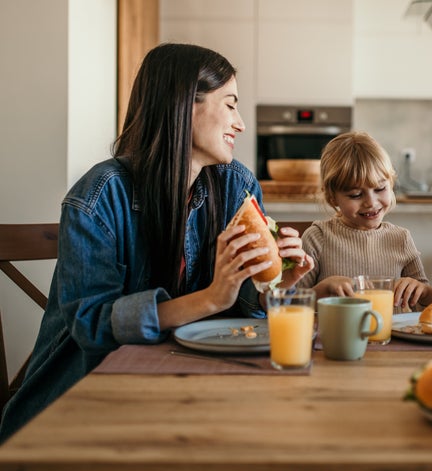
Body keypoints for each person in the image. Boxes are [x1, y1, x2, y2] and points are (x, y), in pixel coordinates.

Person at [0, 43, 313, 443]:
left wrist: (275, 287)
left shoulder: (237, 185)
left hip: (197, 392)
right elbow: (92, 327)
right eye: (230, 105)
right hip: (86, 409)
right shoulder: (99, 196)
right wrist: (210, 299)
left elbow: (246, 313)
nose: (241, 123)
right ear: (185, 105)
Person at [297, 131, 432, 311]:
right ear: (332, 198)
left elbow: (430, 304)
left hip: (392, 338)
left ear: (391, 185)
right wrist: (323, 289)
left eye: (380, 189)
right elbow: (294, 304)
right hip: (337, 338)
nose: (371, 202)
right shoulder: (318, 237)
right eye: (355, 194)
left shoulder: (401, 238)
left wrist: (422, 291)